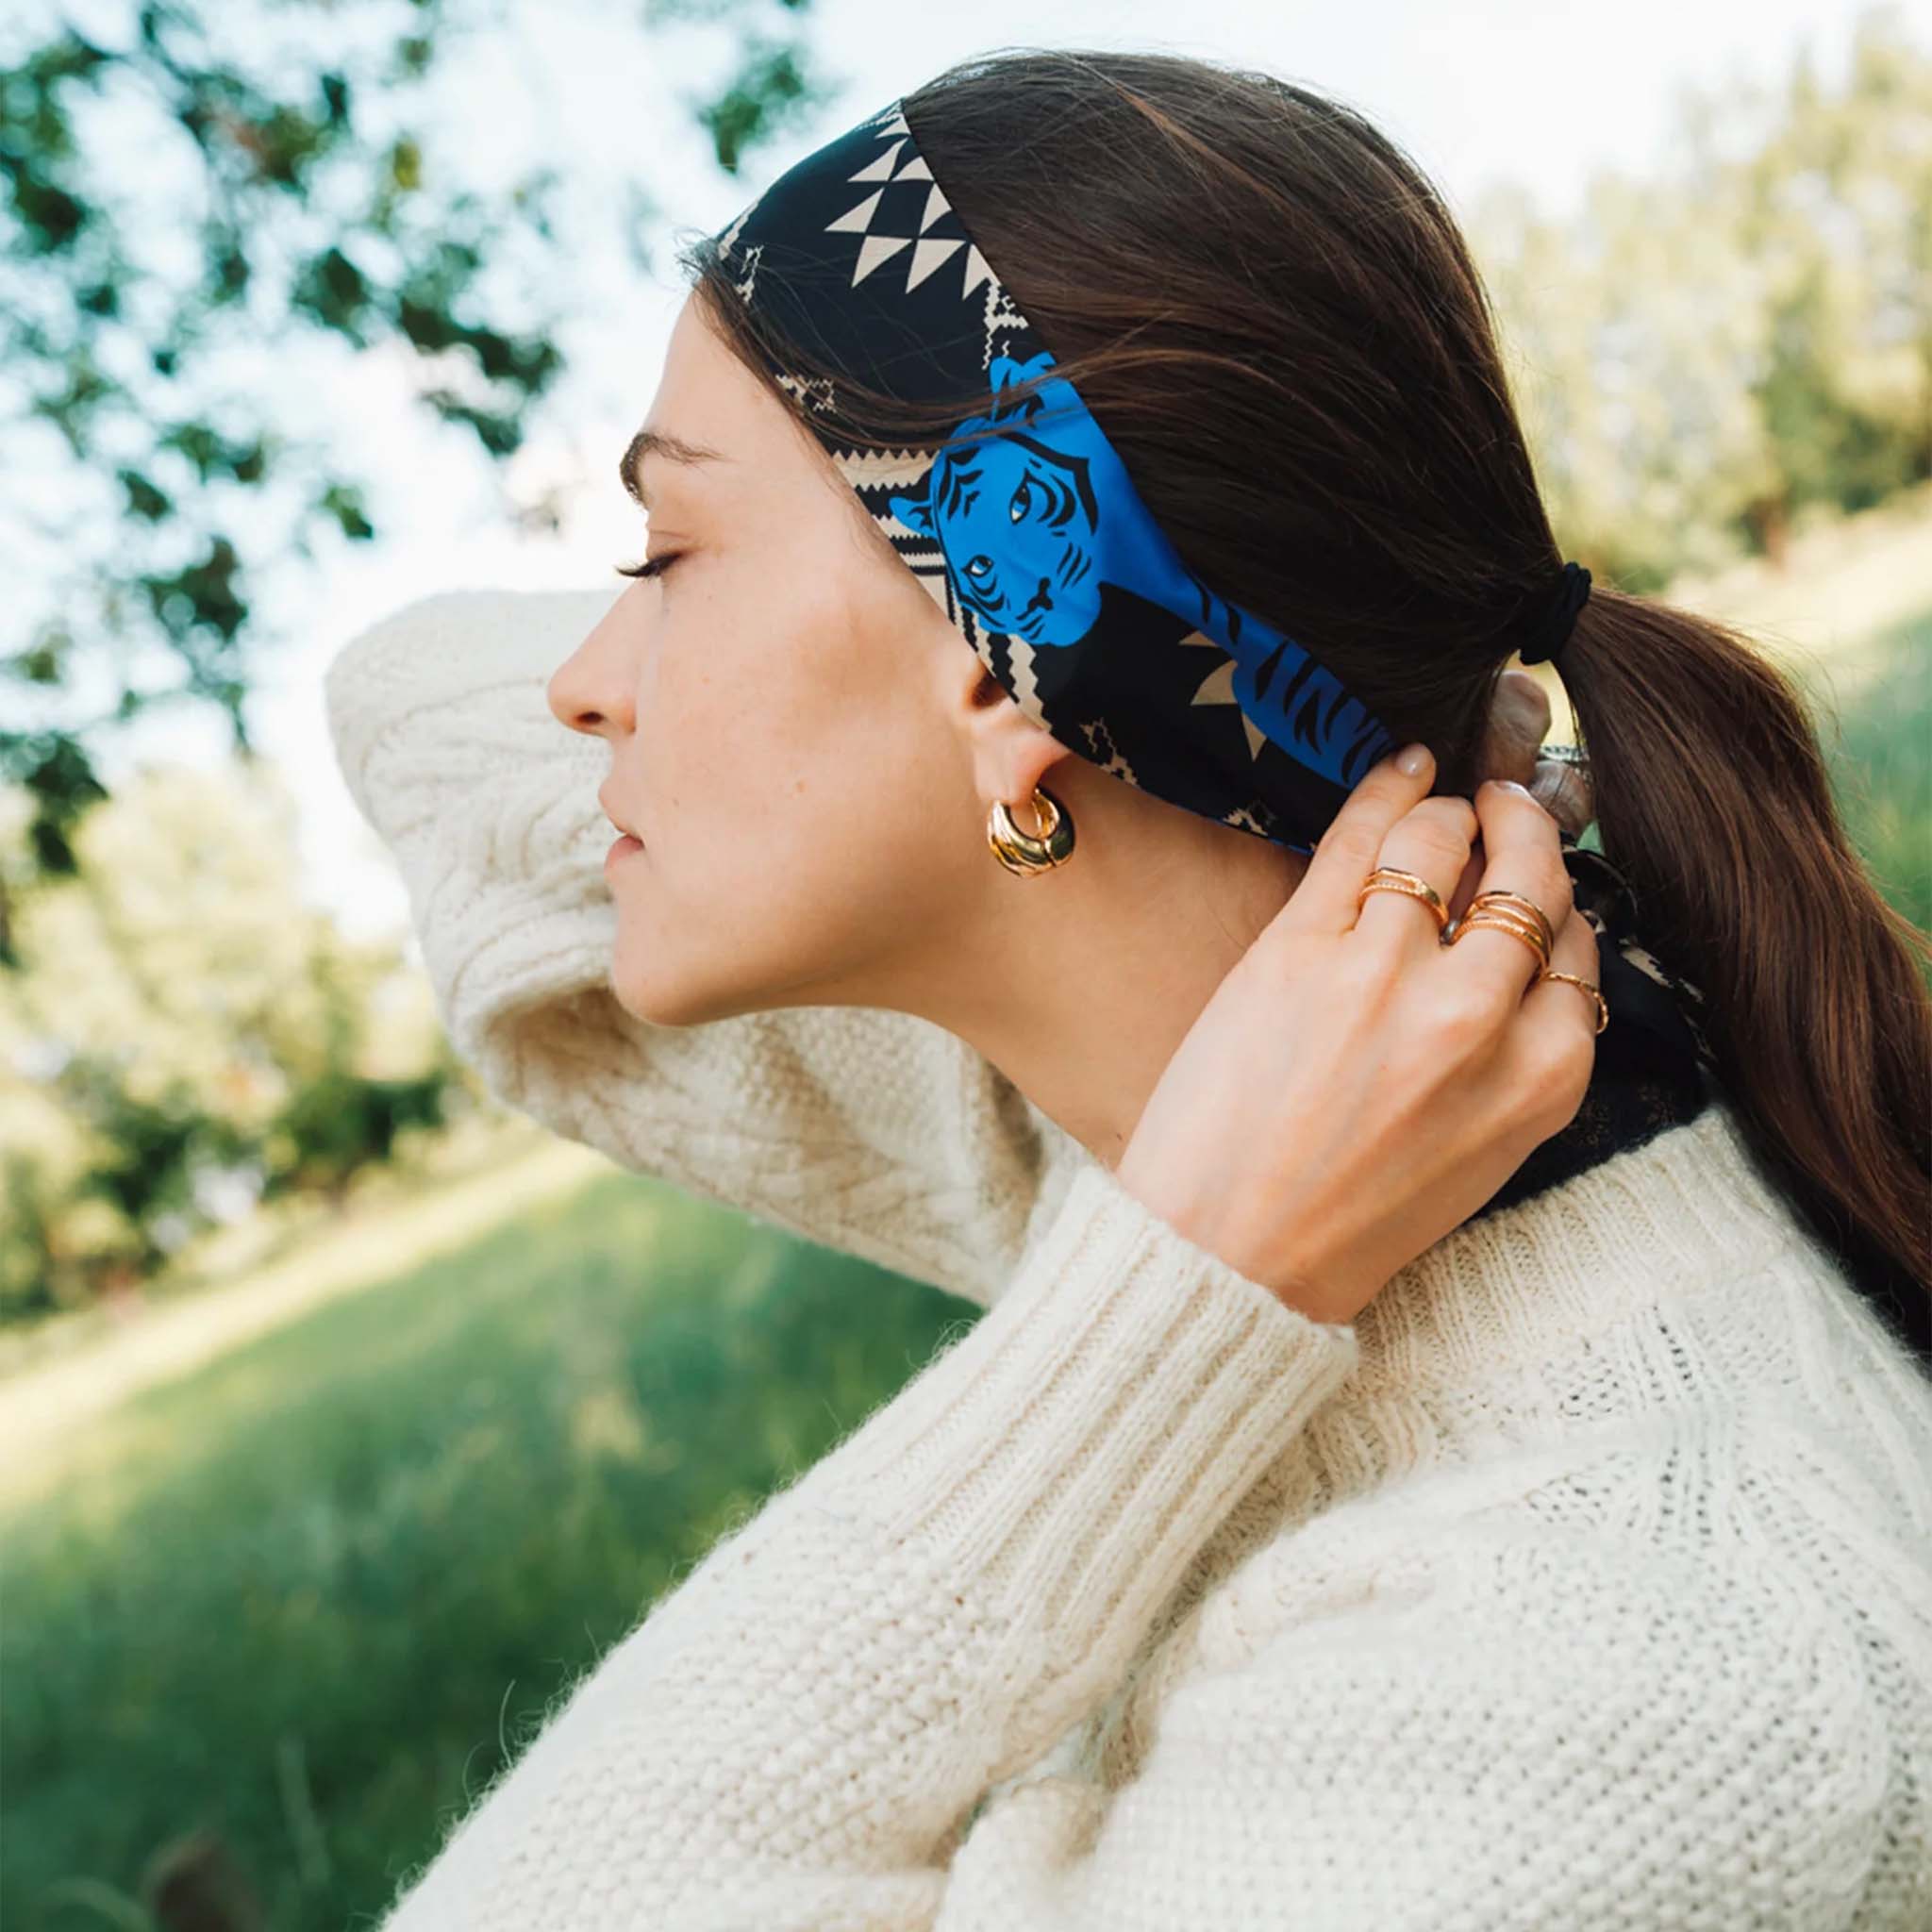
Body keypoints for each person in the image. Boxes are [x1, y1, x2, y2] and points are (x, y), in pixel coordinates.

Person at [323, 46, 1932, 1930]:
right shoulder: (1139, 1076)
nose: (581, 683)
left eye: (668, 552)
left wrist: (1175, 1288)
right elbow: (407, 717)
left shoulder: (1612, 1696)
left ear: (1000, 669)